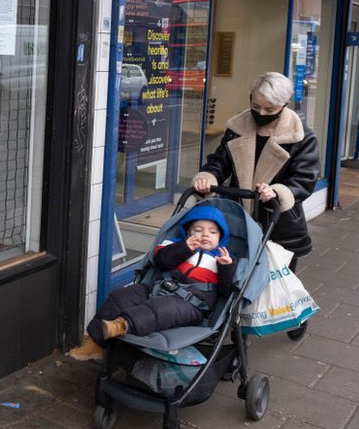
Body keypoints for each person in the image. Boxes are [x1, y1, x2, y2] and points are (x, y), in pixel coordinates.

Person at [192, 72, 319, 339]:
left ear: (285, 104)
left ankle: (297, 314)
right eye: (256, 105)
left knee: (281, 279)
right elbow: (220, 161)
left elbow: (304, 180)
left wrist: (277, 191)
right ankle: (239, 347)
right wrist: (209, 175)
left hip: (279, 220)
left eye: (269, 109)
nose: (260, 113)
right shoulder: (238, 127)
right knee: (243, 283)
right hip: (242, 215)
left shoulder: (301, 137)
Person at [69, 206, 236, 360]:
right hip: (159, 287)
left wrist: (226, 268)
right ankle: (95, 343)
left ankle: (121, 325)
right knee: (119, 296)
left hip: (191, 304)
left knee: (161, 309)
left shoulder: (221, 259)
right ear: (187, 232)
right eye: (198, 230)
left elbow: (226, 290)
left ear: (221, 236)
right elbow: (161, 261)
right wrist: (184, 248)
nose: (205, 235)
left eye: (213, 232)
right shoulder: (175, 244)